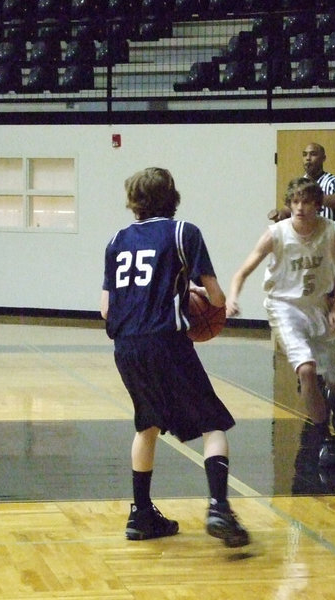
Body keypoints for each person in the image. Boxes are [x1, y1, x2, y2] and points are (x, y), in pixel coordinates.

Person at [100, 167, 249, 547]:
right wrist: (201, 298)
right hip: (166, 341)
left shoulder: (116, 240)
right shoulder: (184, 232)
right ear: (173, 197)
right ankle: (219, 507)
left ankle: (141, 514)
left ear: (134, 200)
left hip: (126, 347)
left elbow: (105, 309)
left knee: (147, 425)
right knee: (213, 424)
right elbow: (216, 297)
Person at [228, 177, 335, 468]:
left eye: (306, 202)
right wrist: (233, 297)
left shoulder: (328, 231)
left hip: (317, 306)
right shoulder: (276, 234)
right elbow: (242, 271)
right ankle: (324, 437)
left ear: (317, 205)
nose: (299, 208)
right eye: (295, 202)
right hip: (284, 307)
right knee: (306, 370)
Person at [269, 142, 335, 223]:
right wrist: (280, 214)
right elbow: (287, 210)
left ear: (323, 158)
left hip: (329, 230)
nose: (308, 158)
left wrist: (312, 197)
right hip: (303, 230)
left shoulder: (333, 181)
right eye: (305, 155)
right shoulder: (298, 184)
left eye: (313, 154)